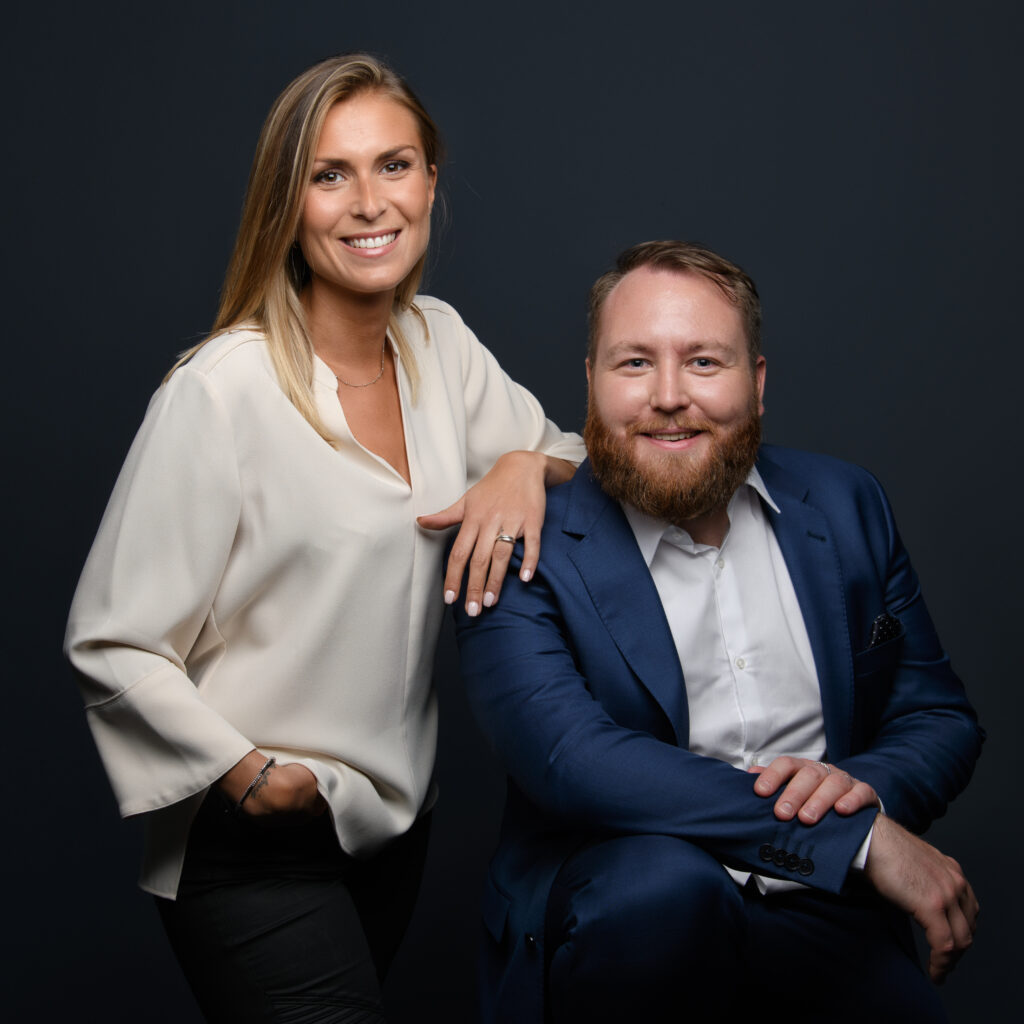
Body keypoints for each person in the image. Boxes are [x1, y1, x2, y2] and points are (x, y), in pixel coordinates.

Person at [65, 55, 584, 1023]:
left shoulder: (441, 345)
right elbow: (111, 637)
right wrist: (249, 774)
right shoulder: (220, 393)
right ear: (287, 203)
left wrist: (520, 465)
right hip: (250, 839)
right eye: (329, 173)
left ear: (431, 181)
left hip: (392, 832)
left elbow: (572, 459)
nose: (367, 202)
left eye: (393, 164)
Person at [454, 240, 983, 1023]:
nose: (669, 396)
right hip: (627, 921)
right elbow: (572, 760)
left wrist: (866, 790)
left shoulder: (846, 504)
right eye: (634, 364)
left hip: (824, 911)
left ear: (757, 383)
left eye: (704, 362)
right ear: (591, 381)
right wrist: (860, 840)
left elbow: (937, 716)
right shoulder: (519, 537)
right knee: (665, 887)